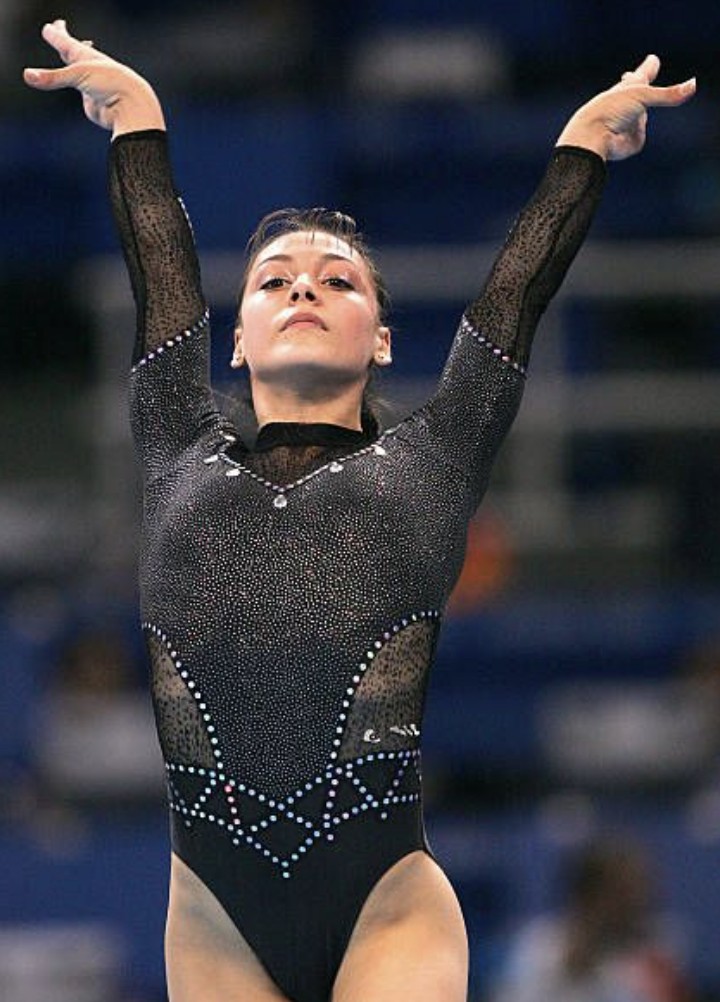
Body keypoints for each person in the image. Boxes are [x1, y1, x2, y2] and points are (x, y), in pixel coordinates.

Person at [23, 20, 695, 1002]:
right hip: (212, 913)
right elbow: (157, 270)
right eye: (275, 280)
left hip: (389, 902)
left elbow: (515, 296)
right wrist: (137, 119)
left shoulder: (432, 459)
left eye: (337, 280)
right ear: (237, 340)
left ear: (381, 339)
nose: (304, 286)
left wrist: (584, 147)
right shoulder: (174, 443)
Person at [491, 838, 694, 1002]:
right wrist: (572, 967)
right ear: (589, 894)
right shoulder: (541, 946)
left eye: (640, 890)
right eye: (620, 893)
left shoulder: (659, 947)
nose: (635, 902)